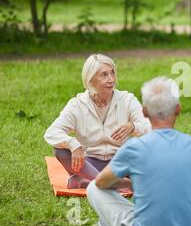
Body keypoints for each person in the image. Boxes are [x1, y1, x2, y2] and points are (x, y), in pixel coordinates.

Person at [87, 77, 191, 226]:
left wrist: (132, 184)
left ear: (144, 112)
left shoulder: (134, 148)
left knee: (92, 187)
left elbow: (101, 183)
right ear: (178, 109)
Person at [44, 54, 151, 189]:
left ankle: (91, 181)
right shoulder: (77, 105)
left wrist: (133, 126)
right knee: (61, 151)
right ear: (91, 79)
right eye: (104, 75)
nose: (111, 79)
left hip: (120, 162)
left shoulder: (127, 99)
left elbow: (151, 127)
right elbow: (51, 132)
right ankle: (112, 183)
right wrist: (73, 145)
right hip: (88, 163)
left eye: (112, 73)